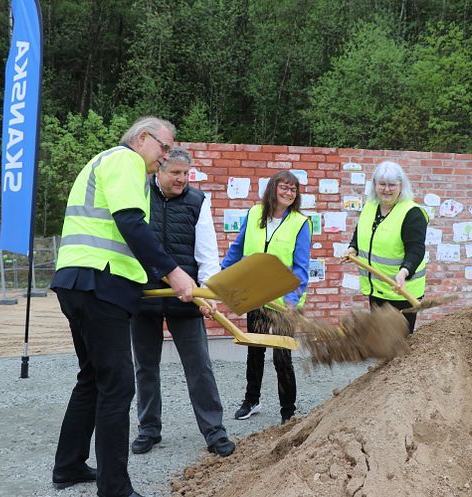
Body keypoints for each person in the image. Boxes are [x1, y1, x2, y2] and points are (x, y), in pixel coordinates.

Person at [50, 116, 196, 497]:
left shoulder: (104, 163)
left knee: (93, 377)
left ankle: (68, 465)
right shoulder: (125, 160)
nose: (164, 158)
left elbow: (119, 234)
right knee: (117, 385)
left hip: (78, 280)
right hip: (101, 282)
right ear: (142, 138)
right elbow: (131, 224)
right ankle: (114, 488)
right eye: (164, 148)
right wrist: (174, 274)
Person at [130, 146, 235, 457]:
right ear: (158, 171)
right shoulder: (139, 195)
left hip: (186, 294)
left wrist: (208, 292)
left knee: (199, 366)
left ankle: (215, 431)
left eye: (185, 173)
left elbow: (206, 253)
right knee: (145, 366)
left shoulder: (197, 201)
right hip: (145, 294)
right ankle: (149, 428)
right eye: (174, 173)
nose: (181, 179)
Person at [221, 171, 311, 425]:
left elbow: (301, 267)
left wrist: (293, 299)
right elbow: (237, 249)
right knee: (255, 349)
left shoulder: (301, 222)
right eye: (284, 187)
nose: (288, 193)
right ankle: (251, 400)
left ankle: (288, 410)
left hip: (285, 302)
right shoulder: (253, 215)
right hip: (257, 296)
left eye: (293, 190)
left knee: (281, 356)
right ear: (273, 189)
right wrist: (220, 275)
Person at [346, 160, 428, 333]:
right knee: (381, 340)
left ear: (401, 186)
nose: (387, 189)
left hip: (401, 291)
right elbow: (361, 231)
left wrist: (404, 271)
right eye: (382, 184)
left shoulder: (412, 213)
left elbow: (416, 249)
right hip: (376, 289)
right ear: (375, 185)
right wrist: (353, 247)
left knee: (399, 344)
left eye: (392, 185)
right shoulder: (370, 206)